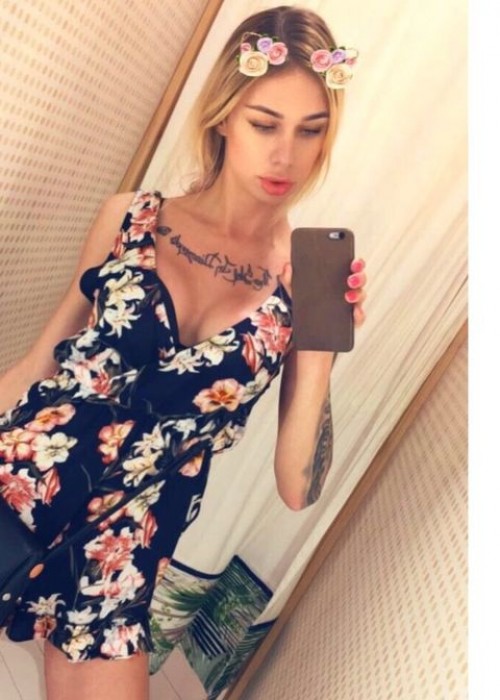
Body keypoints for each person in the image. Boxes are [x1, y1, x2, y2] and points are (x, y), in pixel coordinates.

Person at [0, 5, 366, 700]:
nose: (286, 156)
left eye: (310, 130)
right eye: (265, 124)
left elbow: (297, 487)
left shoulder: (303, 286)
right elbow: (40, 362)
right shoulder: (129, 216)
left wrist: (320, 343)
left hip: (120, 551)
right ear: (225, 116)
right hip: (23, 478)